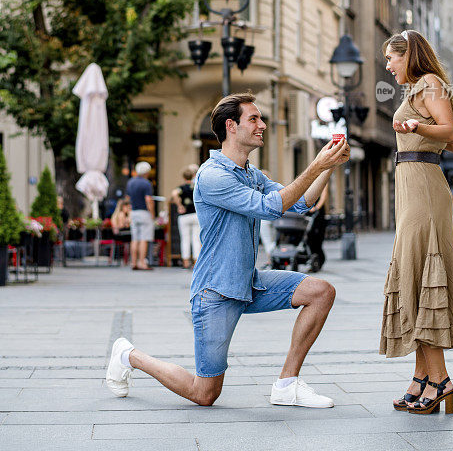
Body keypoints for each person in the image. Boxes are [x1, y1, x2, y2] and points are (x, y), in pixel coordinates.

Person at [106, 91, 349, 408]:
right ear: (231, 126)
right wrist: (315, 167)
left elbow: (303, 203)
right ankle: (128, 354)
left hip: (250, 282)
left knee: (321, 292)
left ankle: (287, 384)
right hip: (216, 292)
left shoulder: (251, 173)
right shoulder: (212, 176)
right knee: (204, 393)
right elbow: (272, 207)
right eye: (254, 118)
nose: (262, 124)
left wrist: (328, 165)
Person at [381, 30, 453, 415]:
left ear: (408, 55)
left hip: (425, 191)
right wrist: (417, 127)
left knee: (419, 276)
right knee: (414, 277)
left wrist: (416, 128)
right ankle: (422, 378)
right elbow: (446, 138)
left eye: (391, 59)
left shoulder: (430, 84)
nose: (388, 66)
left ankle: (441, 379)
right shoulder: (416, 89)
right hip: (412, 189)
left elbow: (452, 137)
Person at [126, 161, 155, 271]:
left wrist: (129, 213)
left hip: (133, 212)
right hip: (144, 212)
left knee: (135, 238)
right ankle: (142, 262)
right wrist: (152, 213)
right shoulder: (146, 183)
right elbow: (148, 199)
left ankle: (133, 262)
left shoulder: (130, 182)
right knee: (144, 238)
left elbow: (127, 199)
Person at [173, 167, 201, 269]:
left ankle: (185, 262)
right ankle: (196, 262)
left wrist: (179, 205)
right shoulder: (196, 187)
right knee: (196, 239)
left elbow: (174, 194)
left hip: (184, 216)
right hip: (195, 214)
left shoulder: (181, 188)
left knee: (185, 239)